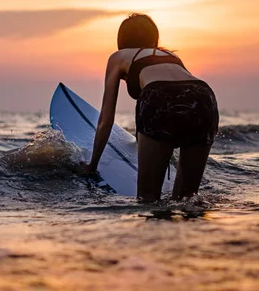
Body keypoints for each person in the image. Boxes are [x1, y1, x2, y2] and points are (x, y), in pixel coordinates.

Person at [87, 13, 219, 201]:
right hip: (204, 97)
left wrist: (92, 165)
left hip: (158, 95)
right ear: (154, 37)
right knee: (188, 199)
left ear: (121, 39)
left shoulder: (118, 57)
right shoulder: (170, 56)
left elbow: (106, 120)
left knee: (148, 199)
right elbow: (182, 98)